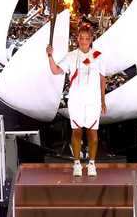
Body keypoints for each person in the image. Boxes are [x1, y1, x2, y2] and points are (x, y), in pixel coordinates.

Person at [46, 22, 107, 177]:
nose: (84, 41)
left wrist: (103, 100)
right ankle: (77, 163)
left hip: (93, 99)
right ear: (77, 39)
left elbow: (102, 79)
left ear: (91, 39)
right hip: (76, 99)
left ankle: (92, 164)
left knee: (93, 133)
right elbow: (55, 71)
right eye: (81, 38)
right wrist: (50, 56)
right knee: (77, 131)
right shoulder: (71, 56)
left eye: (87, 38)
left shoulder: (98, 56)